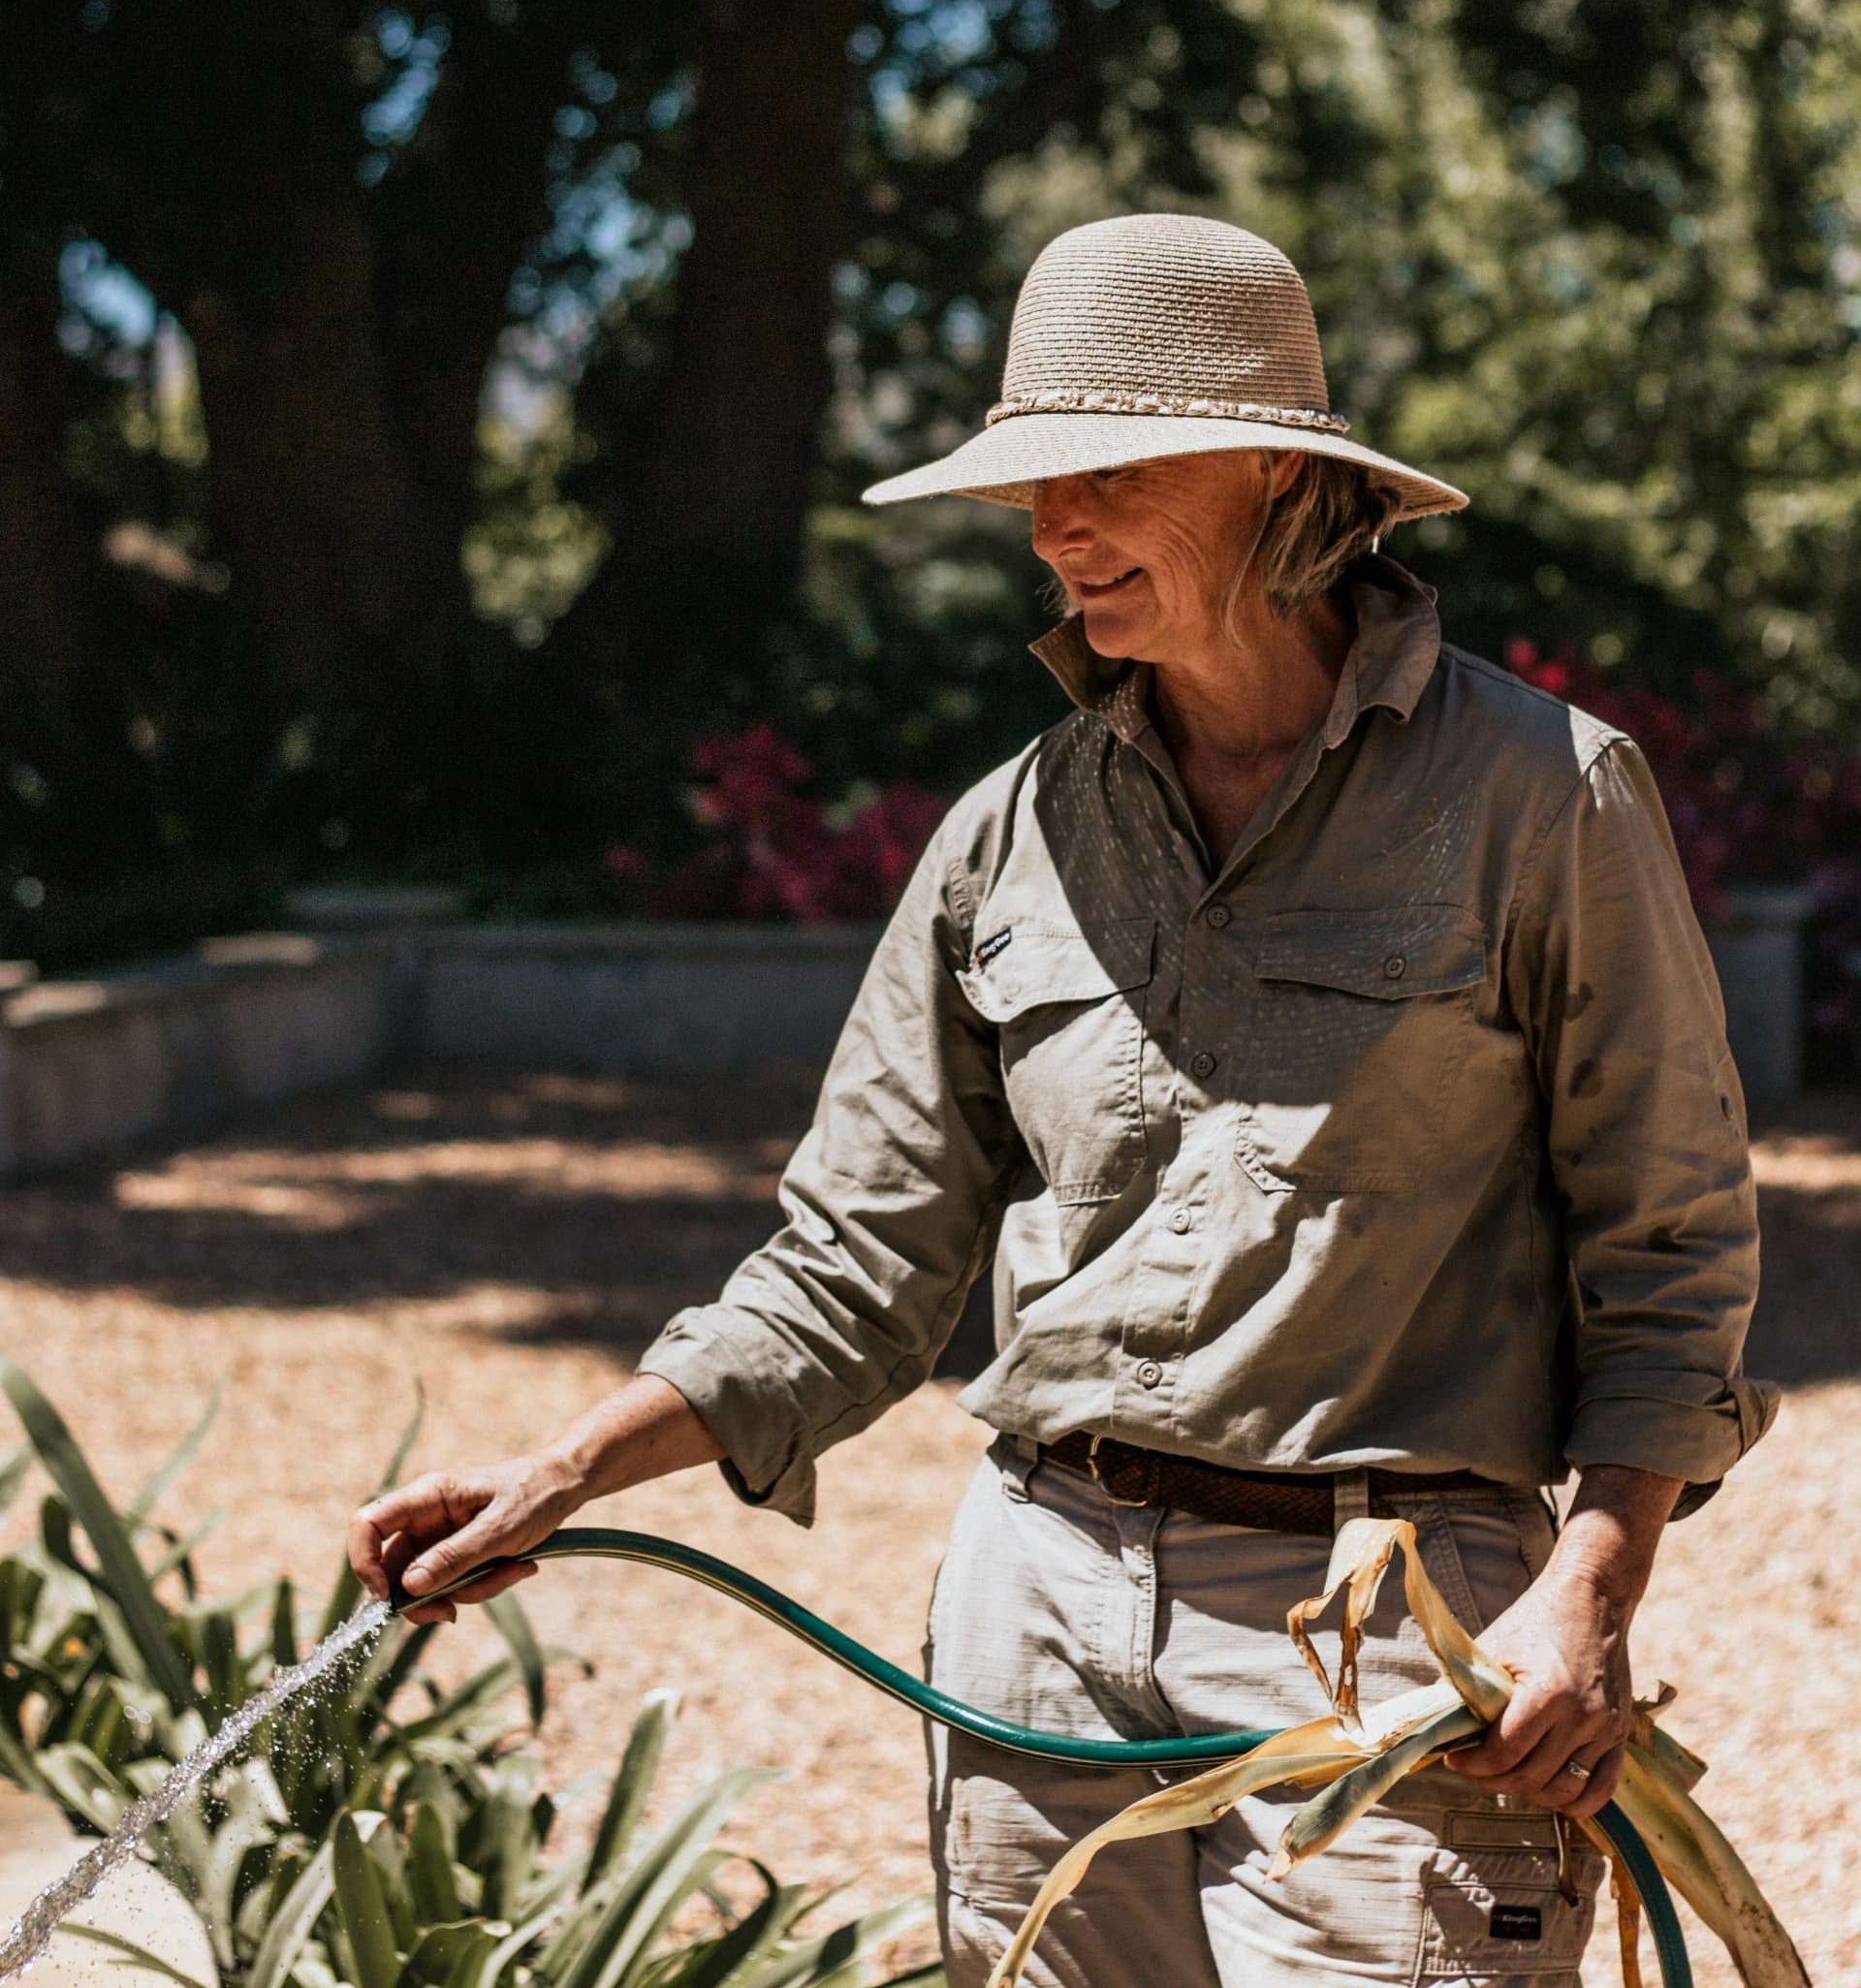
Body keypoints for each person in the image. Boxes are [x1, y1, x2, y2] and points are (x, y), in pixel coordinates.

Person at [351, 214, 1774, 1988]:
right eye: (1033, 485)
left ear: (1273, 467)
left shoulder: (1547, 798)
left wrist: (1593, 1587)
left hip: (1396, 1641)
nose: (1051, 529)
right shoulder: (1003, 836)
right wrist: (563, 1471)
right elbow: (852, 1264)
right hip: (1034, 1610)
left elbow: (1672, 1250)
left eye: (1102, 471)